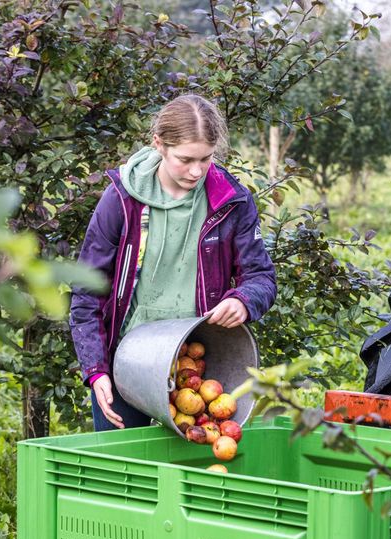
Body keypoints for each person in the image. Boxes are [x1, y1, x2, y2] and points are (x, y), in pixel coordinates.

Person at [69, 94, 276, 431]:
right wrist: (96, 370)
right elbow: (87, 290)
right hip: (126, 363)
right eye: (185, 159)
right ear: (159, 144)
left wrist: (244, 300)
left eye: (206, 159)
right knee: (122, 463)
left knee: (198, 459)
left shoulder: (231, 201)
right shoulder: (122, 199)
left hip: (195, 364)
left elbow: (261, 276)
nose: (196, 171)